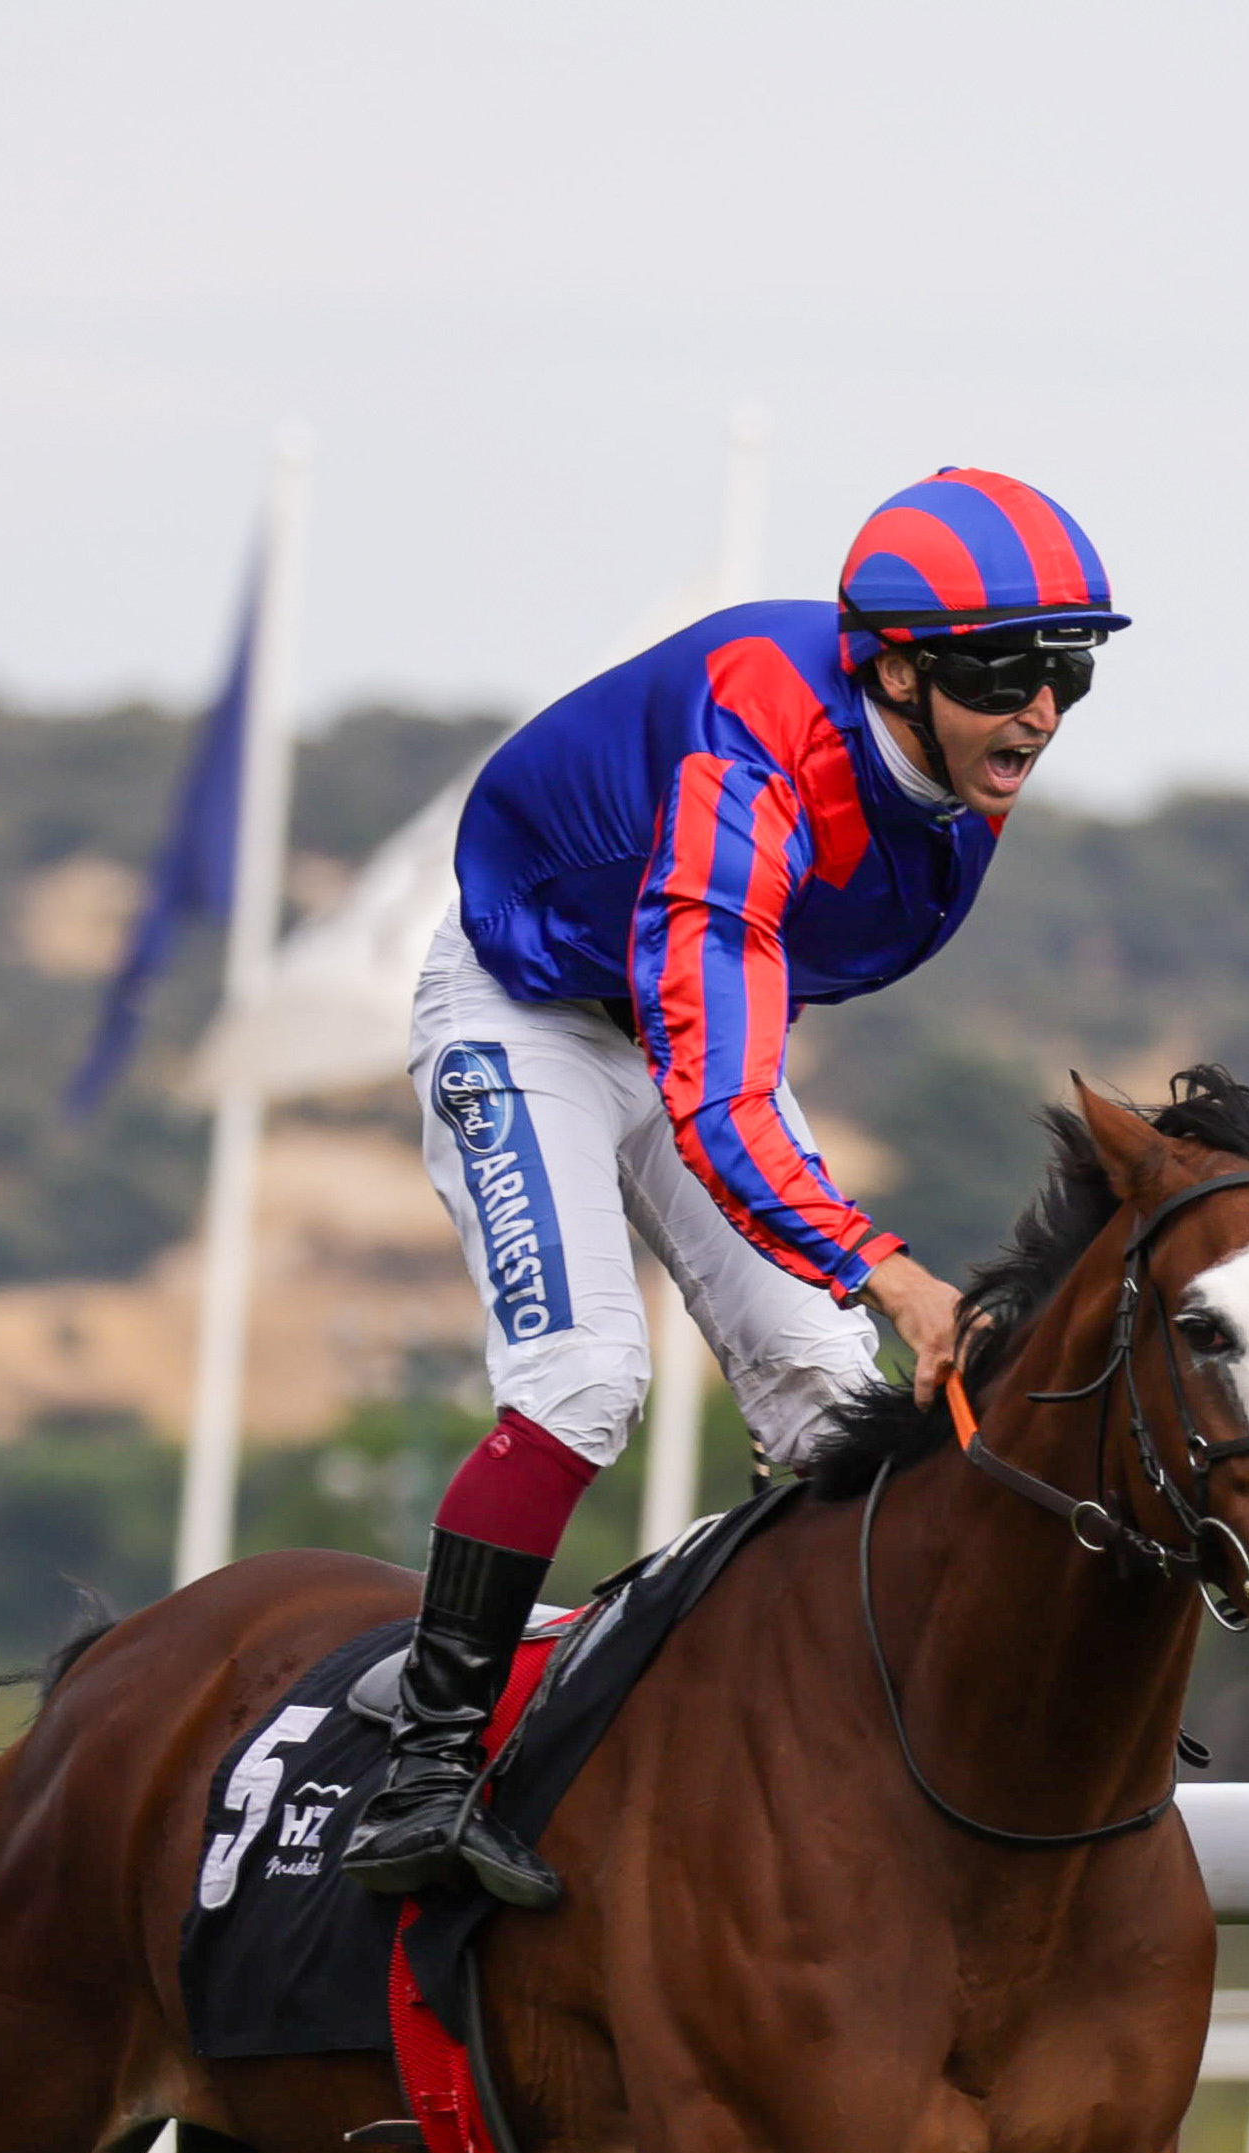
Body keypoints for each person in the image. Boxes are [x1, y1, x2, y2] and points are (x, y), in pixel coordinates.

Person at [337, 468, 1123, 1909]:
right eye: (1001, 674)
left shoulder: (953, 764)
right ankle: (426, 1771)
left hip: (681, 1020)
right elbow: (719, 1104)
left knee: (826, 1395)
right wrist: (891, 1272)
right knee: (584, 1381)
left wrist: (858, 1286)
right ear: (896, 669)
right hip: (527, 1012)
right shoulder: (755, 750)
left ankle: (836, 1738)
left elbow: (724, 1050)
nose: (1039, 713)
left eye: (1066, 671)